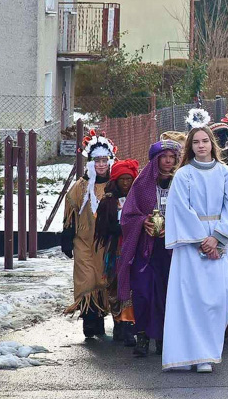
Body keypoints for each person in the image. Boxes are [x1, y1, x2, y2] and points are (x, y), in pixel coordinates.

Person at [162, 118, 228, 372]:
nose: (201, 146)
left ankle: (208, 354)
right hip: (192, 248)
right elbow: (181, 210)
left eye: (205, 141)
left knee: (218, 300)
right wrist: (203, 240)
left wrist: (218, 238)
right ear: (190, 146)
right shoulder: (183, 175)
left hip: (218, 246)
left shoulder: (225, 174)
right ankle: (191, 354)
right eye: (196, 142)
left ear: (213, 145)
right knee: (191, 300)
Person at [117, 139, 181, 357]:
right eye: (164, 157)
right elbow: (127, 215)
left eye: (172, 157)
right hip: (145, 249)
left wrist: (174, 227)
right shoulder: (142, 184)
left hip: (172, 249)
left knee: (167, 292)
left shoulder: (181, 182)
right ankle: (142, 336)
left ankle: (164, 338)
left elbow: (190, 212)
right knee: (143, 292)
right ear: (155, 160)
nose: (168, 161)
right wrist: (142, 221)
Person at [62, 131, 117, 338]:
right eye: (97, 160)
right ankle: (89, 321)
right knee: (87, 280)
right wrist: (66, 237)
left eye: (104, 160)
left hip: (107, 242)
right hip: (84, 241)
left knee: (104, 280)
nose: (101, 165)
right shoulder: (80, 186)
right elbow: (71, 212)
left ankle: (104, 317)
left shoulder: (115, 185)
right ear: (90, 162)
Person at [94, 158, 139, 346]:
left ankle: (130, 325)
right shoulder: (108, 201)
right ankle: (118, 321)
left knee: (131, 287)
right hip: (115, 250)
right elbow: (101, 227)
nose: (126, 183)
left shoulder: (138, 198)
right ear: (116, 181)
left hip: (134, 249)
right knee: (114, 285)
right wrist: (117, 228)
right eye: (122, 180)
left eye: (129, 179)